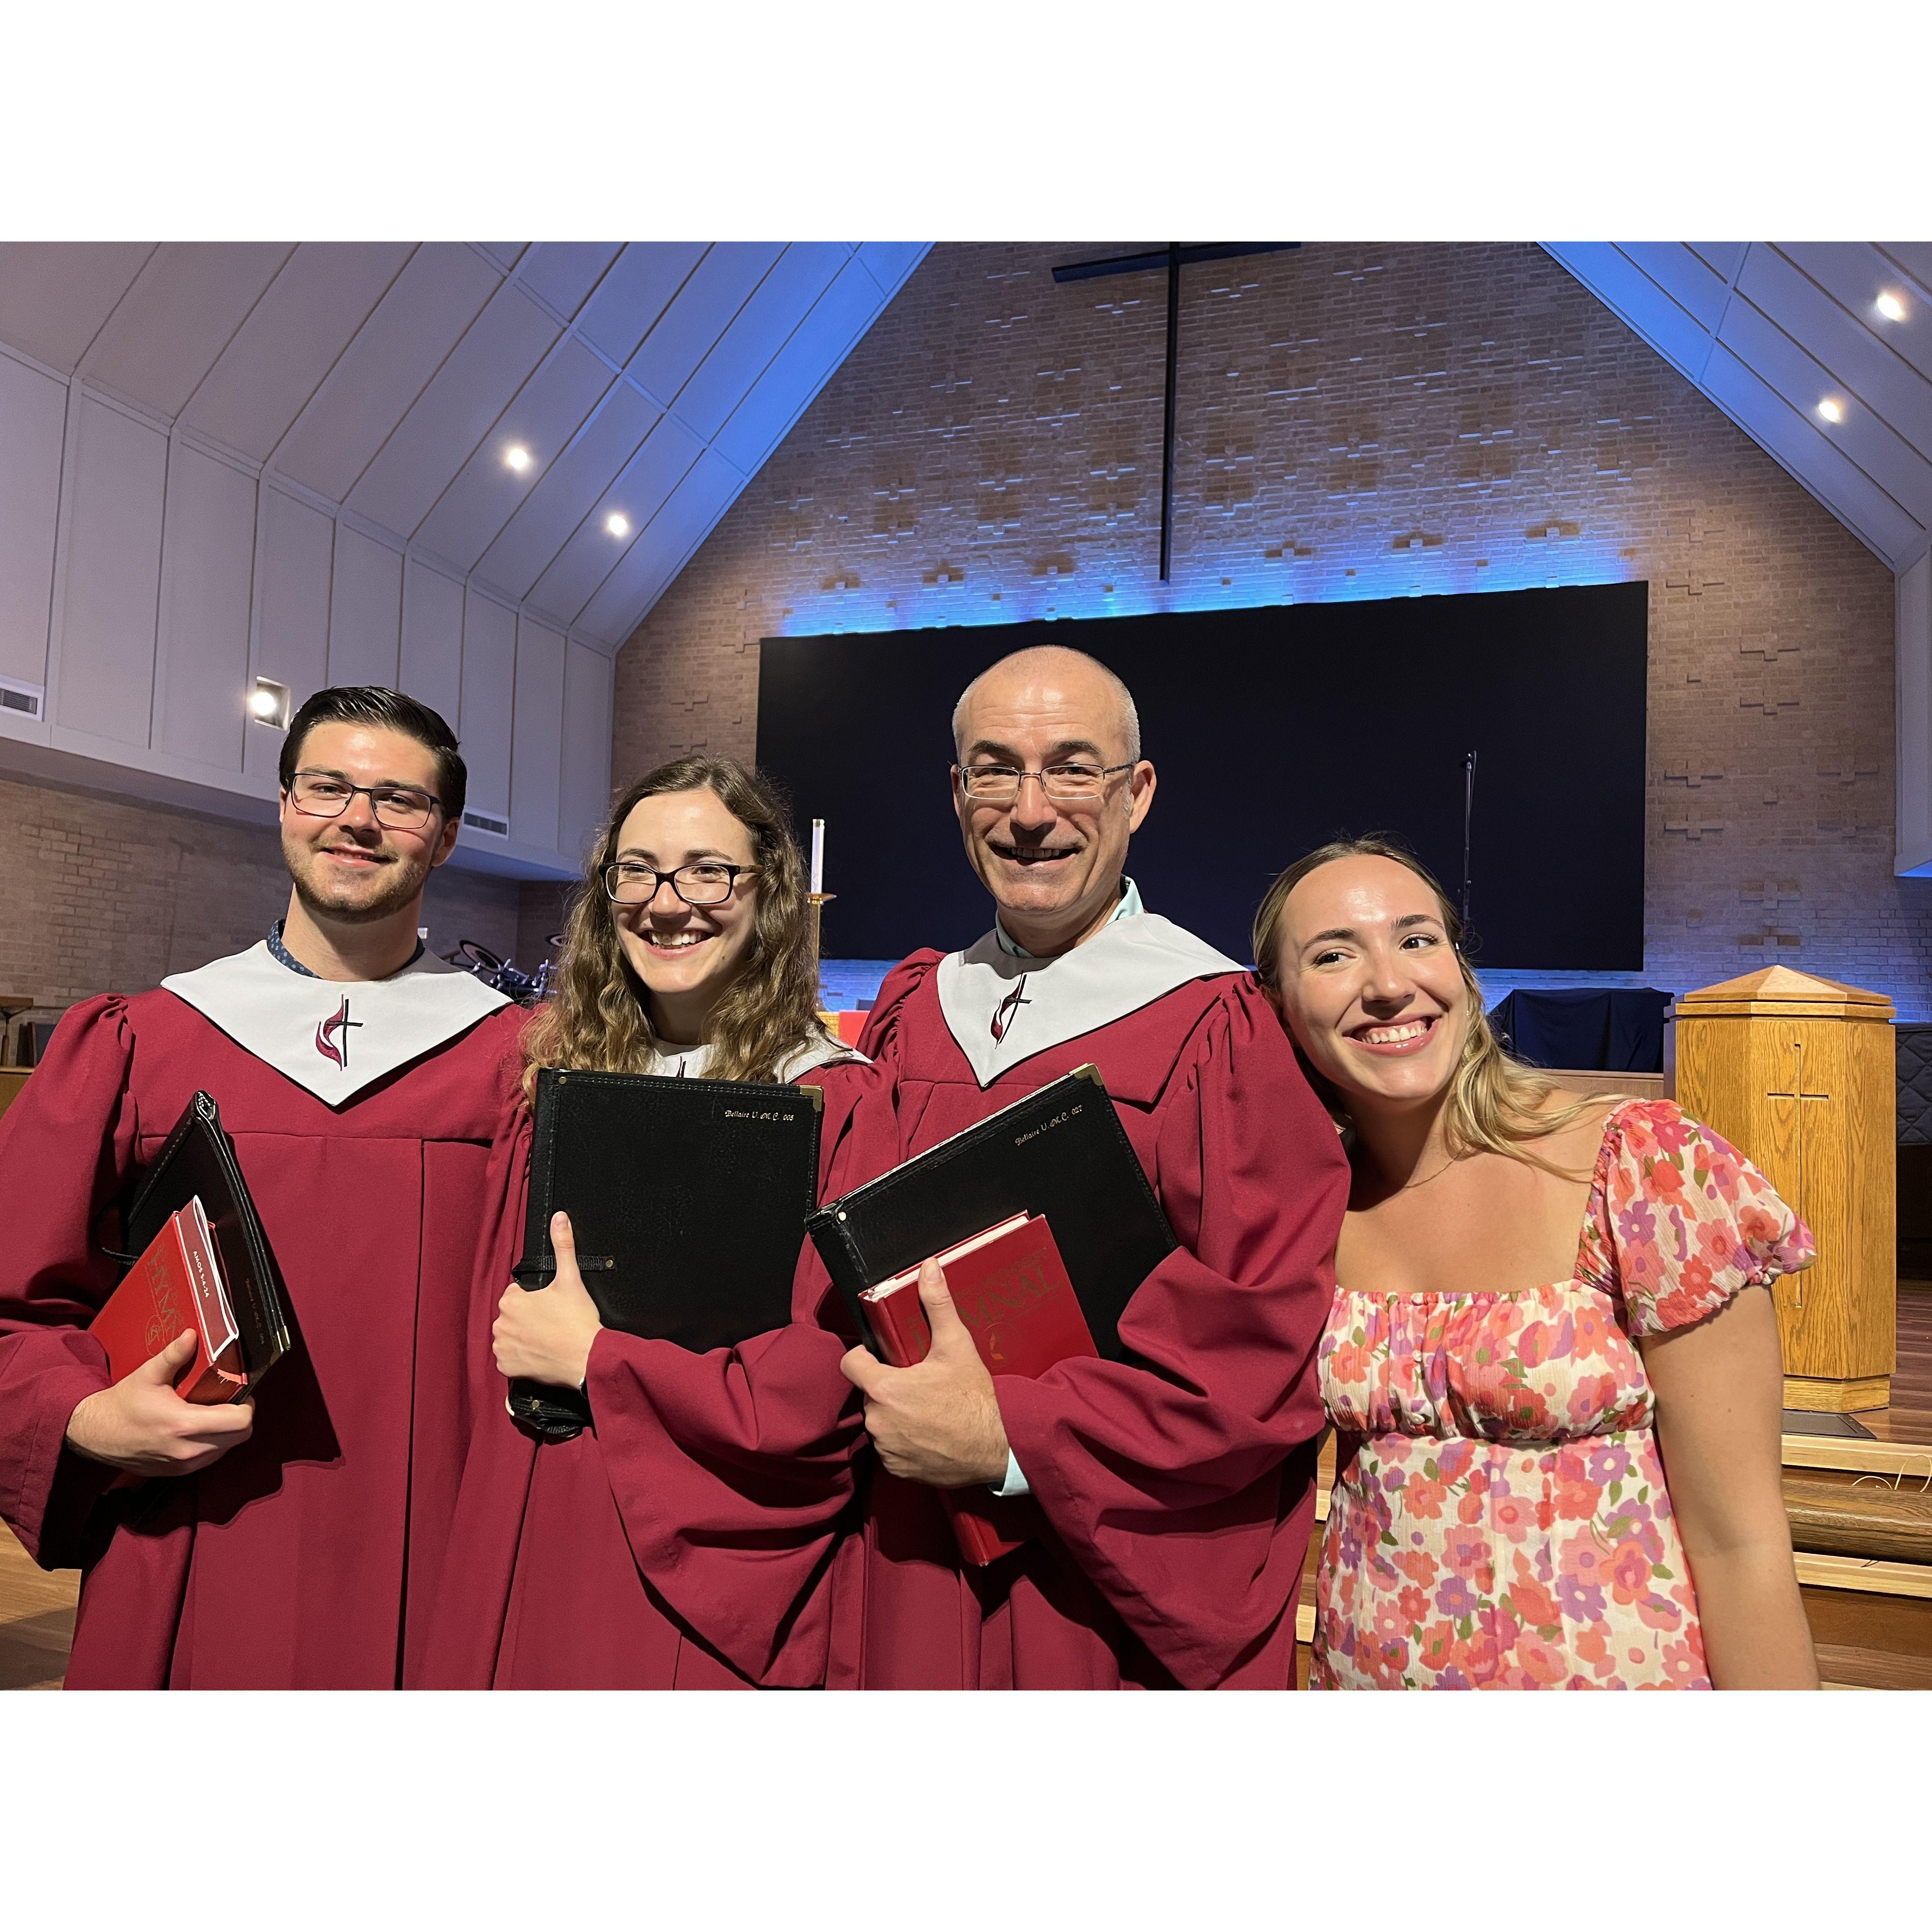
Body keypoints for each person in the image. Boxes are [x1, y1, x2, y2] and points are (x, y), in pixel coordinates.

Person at [831, 644, 1351, 1689]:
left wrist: (1010, 1440)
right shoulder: (910, 1013)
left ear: (1138, 794)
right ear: (956, 792)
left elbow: (1257, 1349)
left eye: (1073, 767)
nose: (1031, 810)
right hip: (898, 1557)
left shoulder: (1219, 1027)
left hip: (1093, 1586)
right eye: (995, 769)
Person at [0, 686, 529, 1689]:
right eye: (327, 786)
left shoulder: (521, 1065)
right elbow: (11, 1304)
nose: (357, 818)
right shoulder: (143, 1043)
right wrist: (79, 1417)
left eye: (398, 800)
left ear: (448, 836)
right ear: (286, 803)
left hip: (445, 1547)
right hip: (193, 1536)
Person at [1254, 836, 1819, 1690]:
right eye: (1334, 955)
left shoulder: (1639, 1165)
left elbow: (1741, 1541)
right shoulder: (1306, 1210)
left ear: (1461, 972)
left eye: (1417, 940)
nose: (1388, 984)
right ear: (1279, 1006)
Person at [422, 754, 876, 1688]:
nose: (669, 903)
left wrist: (600, 1362)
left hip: (706, 1555)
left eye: (709, 870)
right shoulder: (544, 1083)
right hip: (533, 1514)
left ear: (770, 894)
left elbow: (816, 1387)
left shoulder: (833, 1102)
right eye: (638, 870)